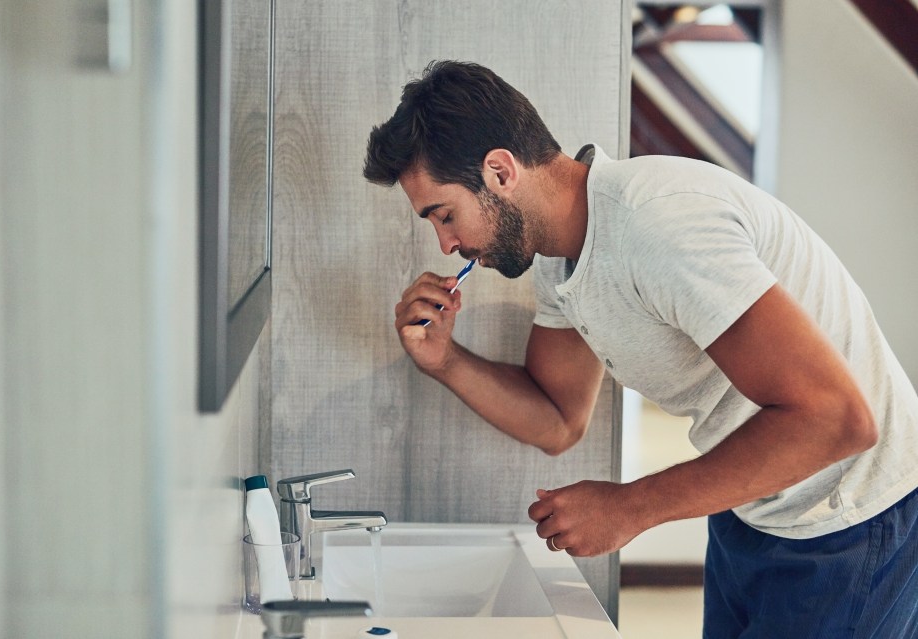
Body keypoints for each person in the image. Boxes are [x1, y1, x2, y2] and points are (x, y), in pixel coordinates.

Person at [363, 60, 918, 637]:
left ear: (500, 171)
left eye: (444, 215)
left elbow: (838, 419)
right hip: (754, 506)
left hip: (854, 515)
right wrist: (447, 362)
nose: (447, 243)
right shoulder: (562, 257)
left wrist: (632, 507)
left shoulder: (659, 225)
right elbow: (558, 418)